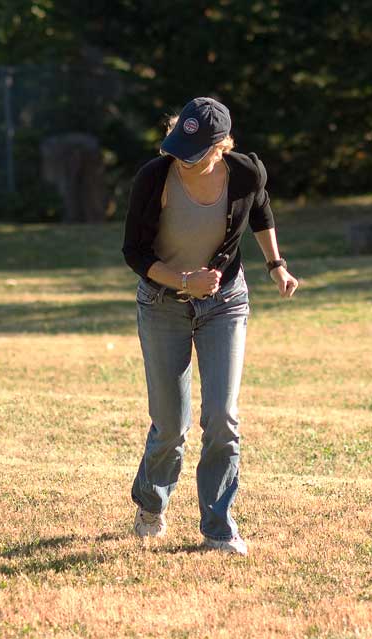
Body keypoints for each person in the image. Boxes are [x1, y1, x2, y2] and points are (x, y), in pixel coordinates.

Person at [122, 97, 298, 555]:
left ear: (221, 146)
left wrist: (275, 264)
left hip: (225, 302)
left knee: (222, 417)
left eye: (195, 150)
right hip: (163, 302)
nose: (183, 156)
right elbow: (135, 254)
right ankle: (151, 501)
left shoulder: (245, 172)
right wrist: (184, 281)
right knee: (171, 425)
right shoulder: (153, 178)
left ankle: (218, 527)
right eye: (180, 145)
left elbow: (259, 210)